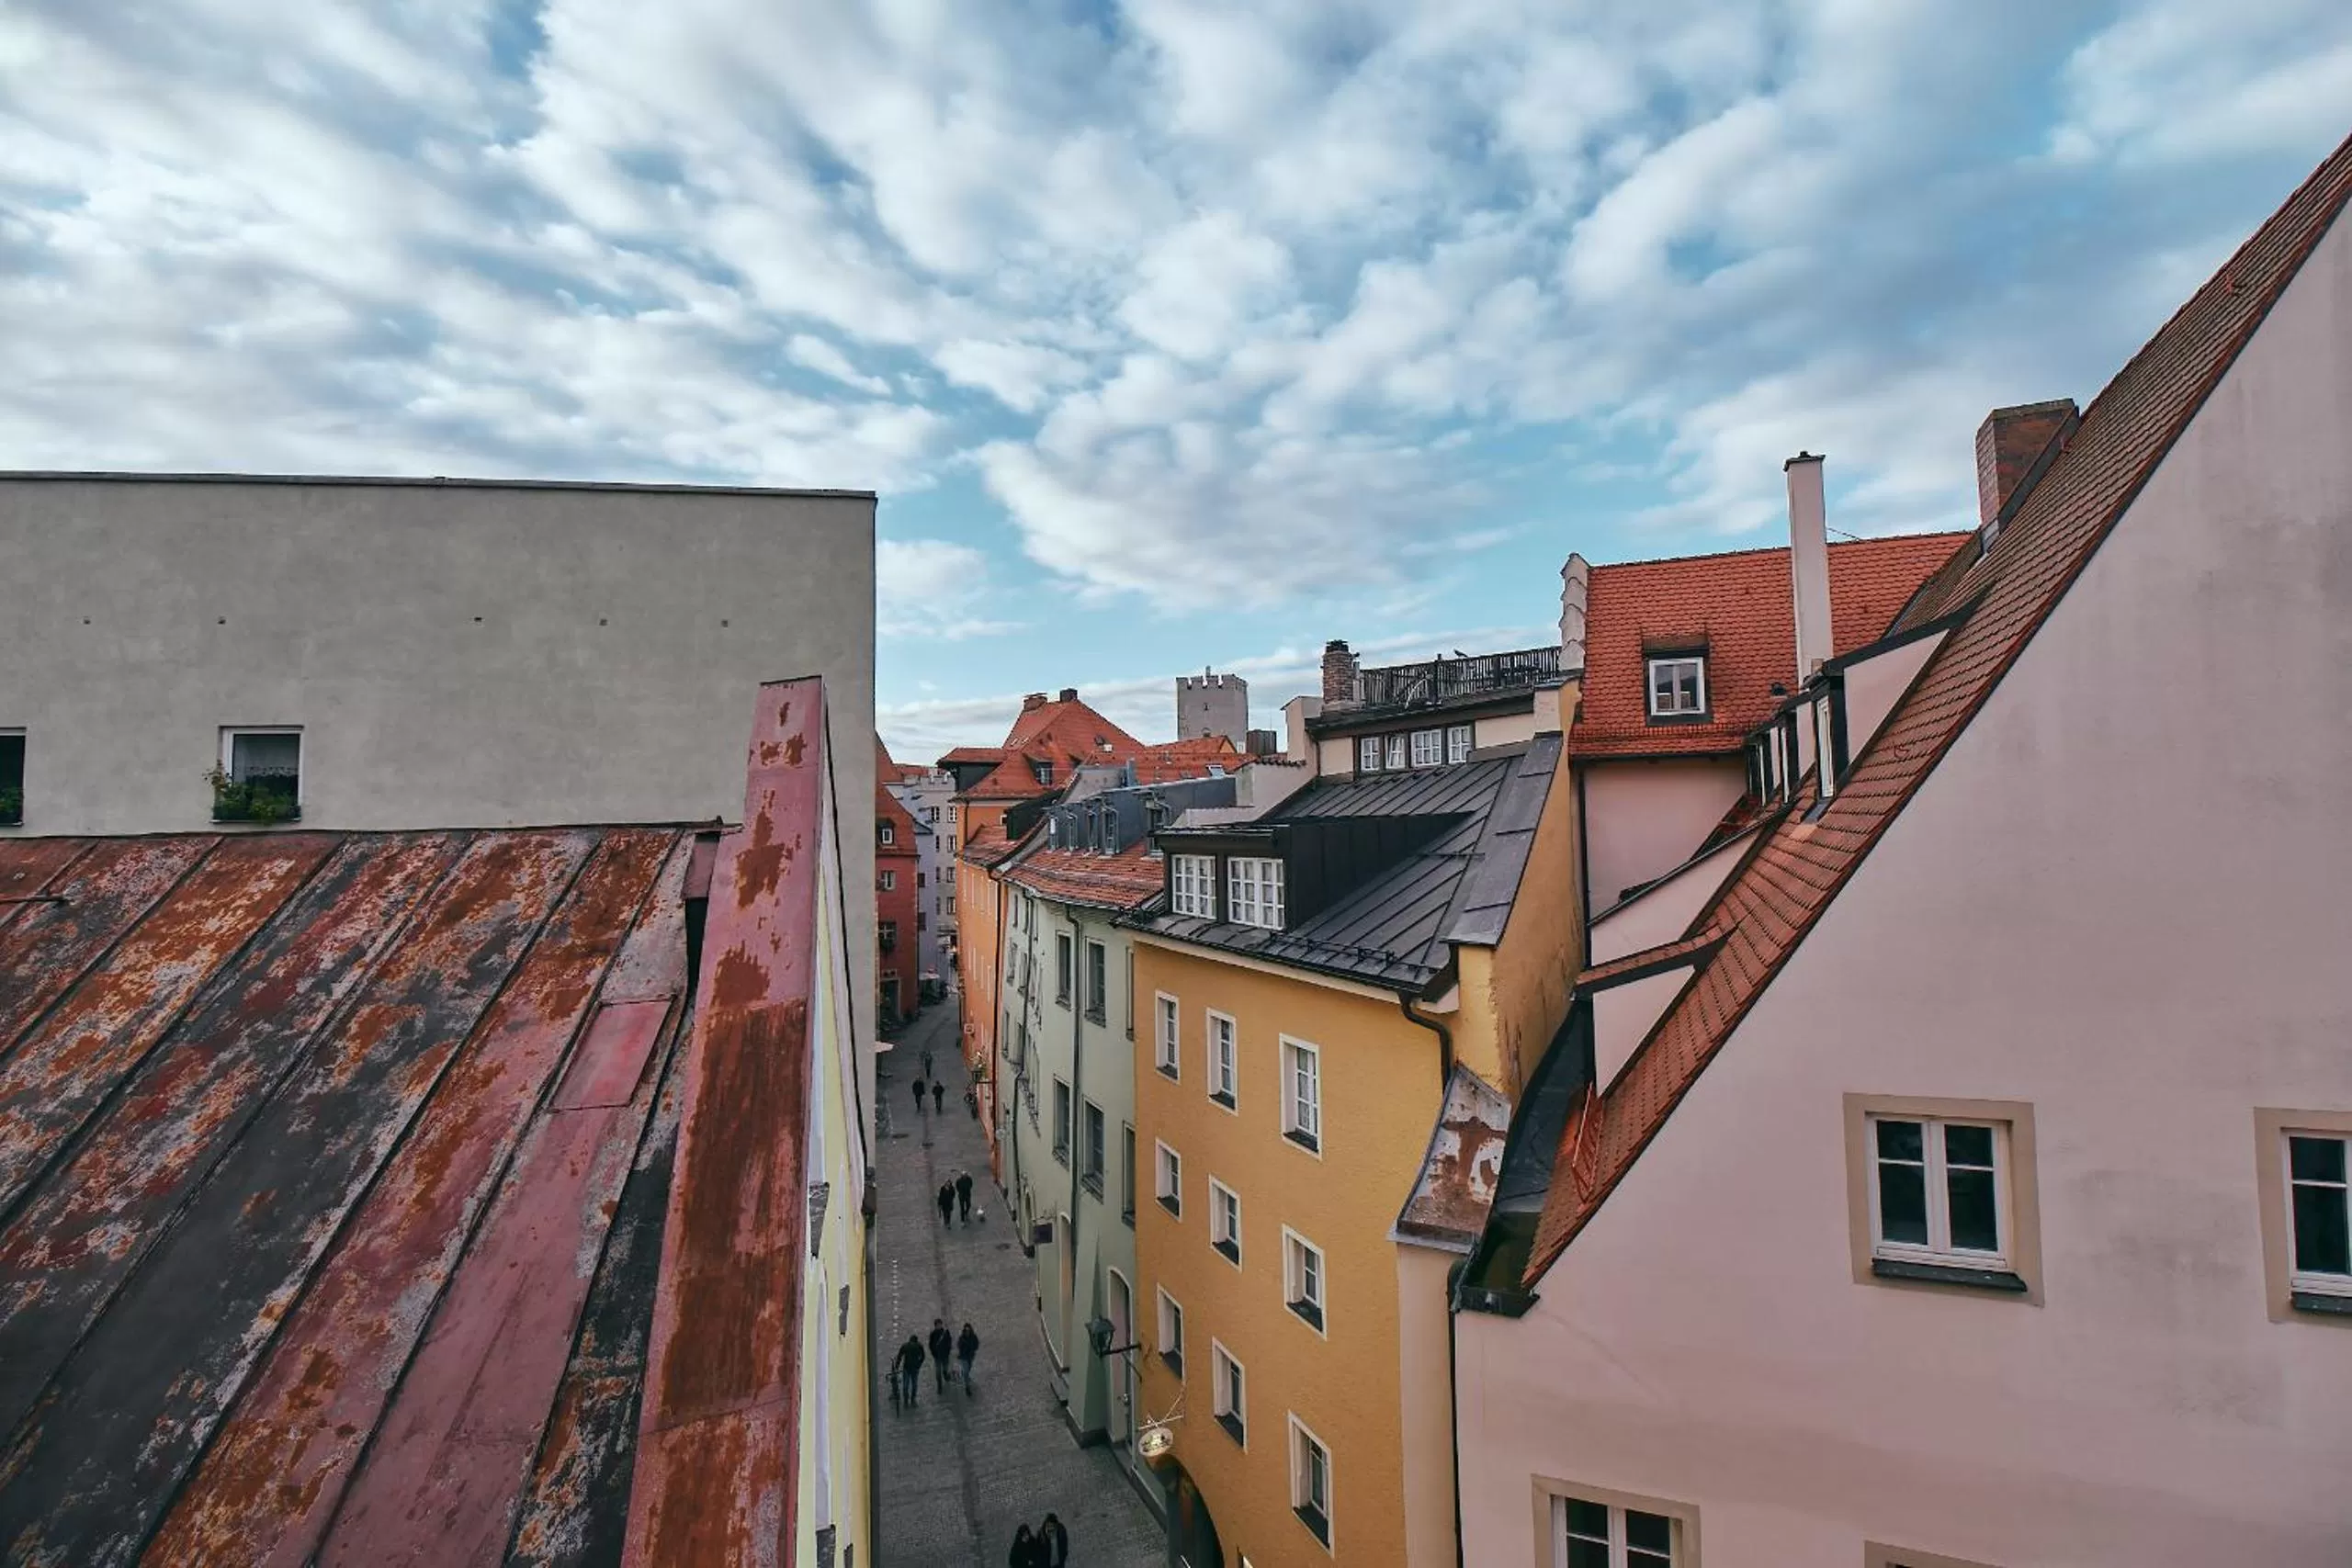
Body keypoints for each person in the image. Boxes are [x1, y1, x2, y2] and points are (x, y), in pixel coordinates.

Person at [897, 1333, 924, 1406]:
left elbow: (899, 1357)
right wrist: (919, 1364)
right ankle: (910, 1400)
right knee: (911, 1385)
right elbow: (922, 1357)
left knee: (909, 1385)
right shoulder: (917, 1346)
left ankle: (910, 1400)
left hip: (911, 1368)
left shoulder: (907, 1346)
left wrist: (897, 1366)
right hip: (911, 1368)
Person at [928, 1318, 955, 1393]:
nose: (939, 1326)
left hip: (945, 1355)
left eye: (940, 1324)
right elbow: (930, 1345)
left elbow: (949, 1342)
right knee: (938, 1371)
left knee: (945, 1368)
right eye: (937, 1325)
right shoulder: (933, 1334)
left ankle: (945, 1375)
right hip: (937, 1356)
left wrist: (948, 1351)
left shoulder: (946, 1332)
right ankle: (939, 1385)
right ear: (935, 1326)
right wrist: (934, 1354)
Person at [956, 1321, 979, 1395]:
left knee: (968, 1368)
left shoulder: (973, 1337)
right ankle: (967, 1387)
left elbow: (976, 1344)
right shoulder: (961, 1338)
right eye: (966, 1330)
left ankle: (964, 1374)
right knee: (966, 1371)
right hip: (963, 1357)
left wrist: (973, 1349)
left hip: (970, 1356)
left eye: (968, 1330)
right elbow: (959, 1346)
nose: (967, 1332)